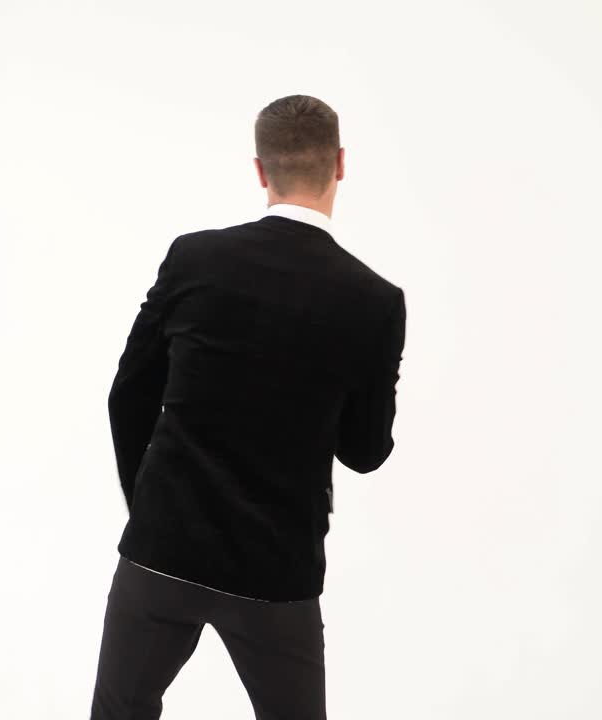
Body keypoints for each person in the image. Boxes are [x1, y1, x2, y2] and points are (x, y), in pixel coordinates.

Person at [90, 94, 407, 719]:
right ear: (340, 164)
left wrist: (151, 507)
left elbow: (128, 394)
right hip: (276, 570)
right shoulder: (374, 301)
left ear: (261, 170)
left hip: (163, 550)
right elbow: (365, 452)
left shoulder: (194, 258)